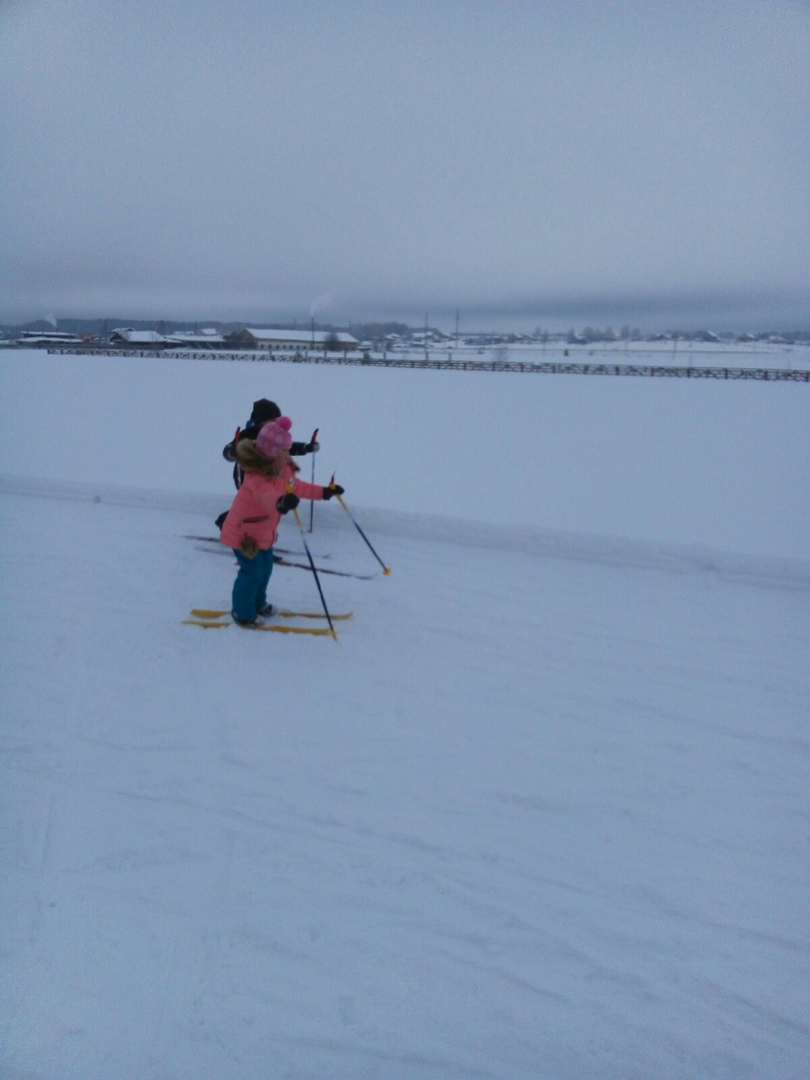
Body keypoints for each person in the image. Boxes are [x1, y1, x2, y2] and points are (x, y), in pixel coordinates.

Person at [218, 416, 344, 627]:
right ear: (271, 452)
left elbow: (299, 487)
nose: (289, 453)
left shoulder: (283, 470)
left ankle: (258, 604)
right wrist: (281, 502)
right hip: (244, 534)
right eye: (285, 450)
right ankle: (242, 613)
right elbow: (265, 496)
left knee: (265, 569)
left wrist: (324, 492)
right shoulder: (255, 476)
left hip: (263, 533)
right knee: (251, 573)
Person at [222, 398, 319, 489]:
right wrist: (233, 451)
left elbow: (288, 447)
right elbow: (227, 451)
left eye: (277, 420)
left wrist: (305, 447)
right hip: (247, 478)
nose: (276, 423)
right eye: (272, 420)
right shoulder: (247, 434)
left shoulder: (276, 435)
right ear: (261, 421)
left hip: (269, 477)